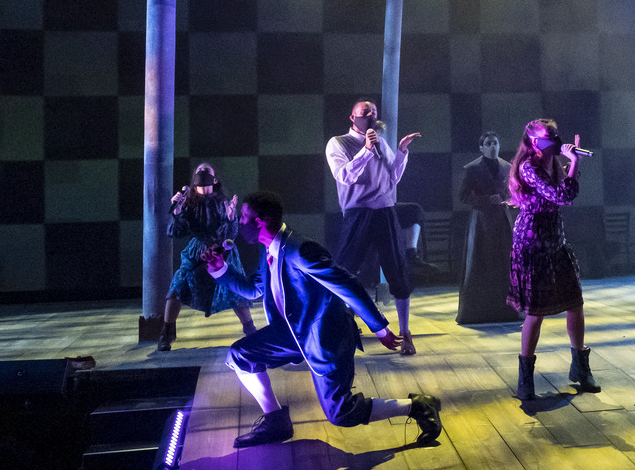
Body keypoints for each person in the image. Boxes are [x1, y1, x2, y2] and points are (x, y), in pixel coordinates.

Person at [205, 191, 441, 448]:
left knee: (341, 413)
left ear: (260, 221)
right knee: (240, 355)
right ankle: (276, 422)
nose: (239, 223)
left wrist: (380, 328)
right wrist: (220, 269)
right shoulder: (268, 249)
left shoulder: (300, 250)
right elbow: (254, 289)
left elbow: (348, 284)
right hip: (293, 332)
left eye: (243, 217)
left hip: (325, 337)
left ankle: (417, 406)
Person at [507, 120, 599, 400]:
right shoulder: (529, 166)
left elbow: (565, 195)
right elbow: (563, 195)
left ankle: (580, 368)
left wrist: (570, 162)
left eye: (555, 136)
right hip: (533, 244)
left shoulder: (553, 163)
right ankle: (526, 378)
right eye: (548, 138)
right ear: (533, 141)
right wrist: (573, 162)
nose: (554, 141)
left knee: (575, 303)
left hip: (555, 241)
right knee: (535, 314)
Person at [326, 100, 423, 355]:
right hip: (358, 213)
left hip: (385, 211)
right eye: (364, 114)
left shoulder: (381, 141)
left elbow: (393, 178)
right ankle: (342, 329)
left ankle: (406, 333)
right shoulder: (339, 143)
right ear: (352, 117)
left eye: (374, 114)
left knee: (398, 271)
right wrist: (367, 150)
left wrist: (401, 152)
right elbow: (345, 175)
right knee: (344, 272)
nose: (370, 118)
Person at [159, 163, 255, 351]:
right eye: (199, 172)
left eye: (207, 171)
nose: (202, 173)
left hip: (222, 251)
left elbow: (232, 234)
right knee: (178, 285)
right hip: (197, 251)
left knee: (235, 289)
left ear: (215, 179)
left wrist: (230, 218)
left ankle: (250, 330)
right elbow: (175, 232)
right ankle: (167, 333)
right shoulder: (187, 202)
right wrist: (177, 213)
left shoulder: (223, 202)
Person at [456, 132, 517, 324]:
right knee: (480, 263)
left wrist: (509, 198)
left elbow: (514, 190)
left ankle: (507, 310)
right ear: (482, 148)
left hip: (502, 220)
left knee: (504, 263)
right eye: (489, 144)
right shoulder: (472, 168)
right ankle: (477, 312)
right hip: (481, 221)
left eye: (495, 143)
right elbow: (463, 196)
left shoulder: (508, 167)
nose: (493, 146)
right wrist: (485, 200)